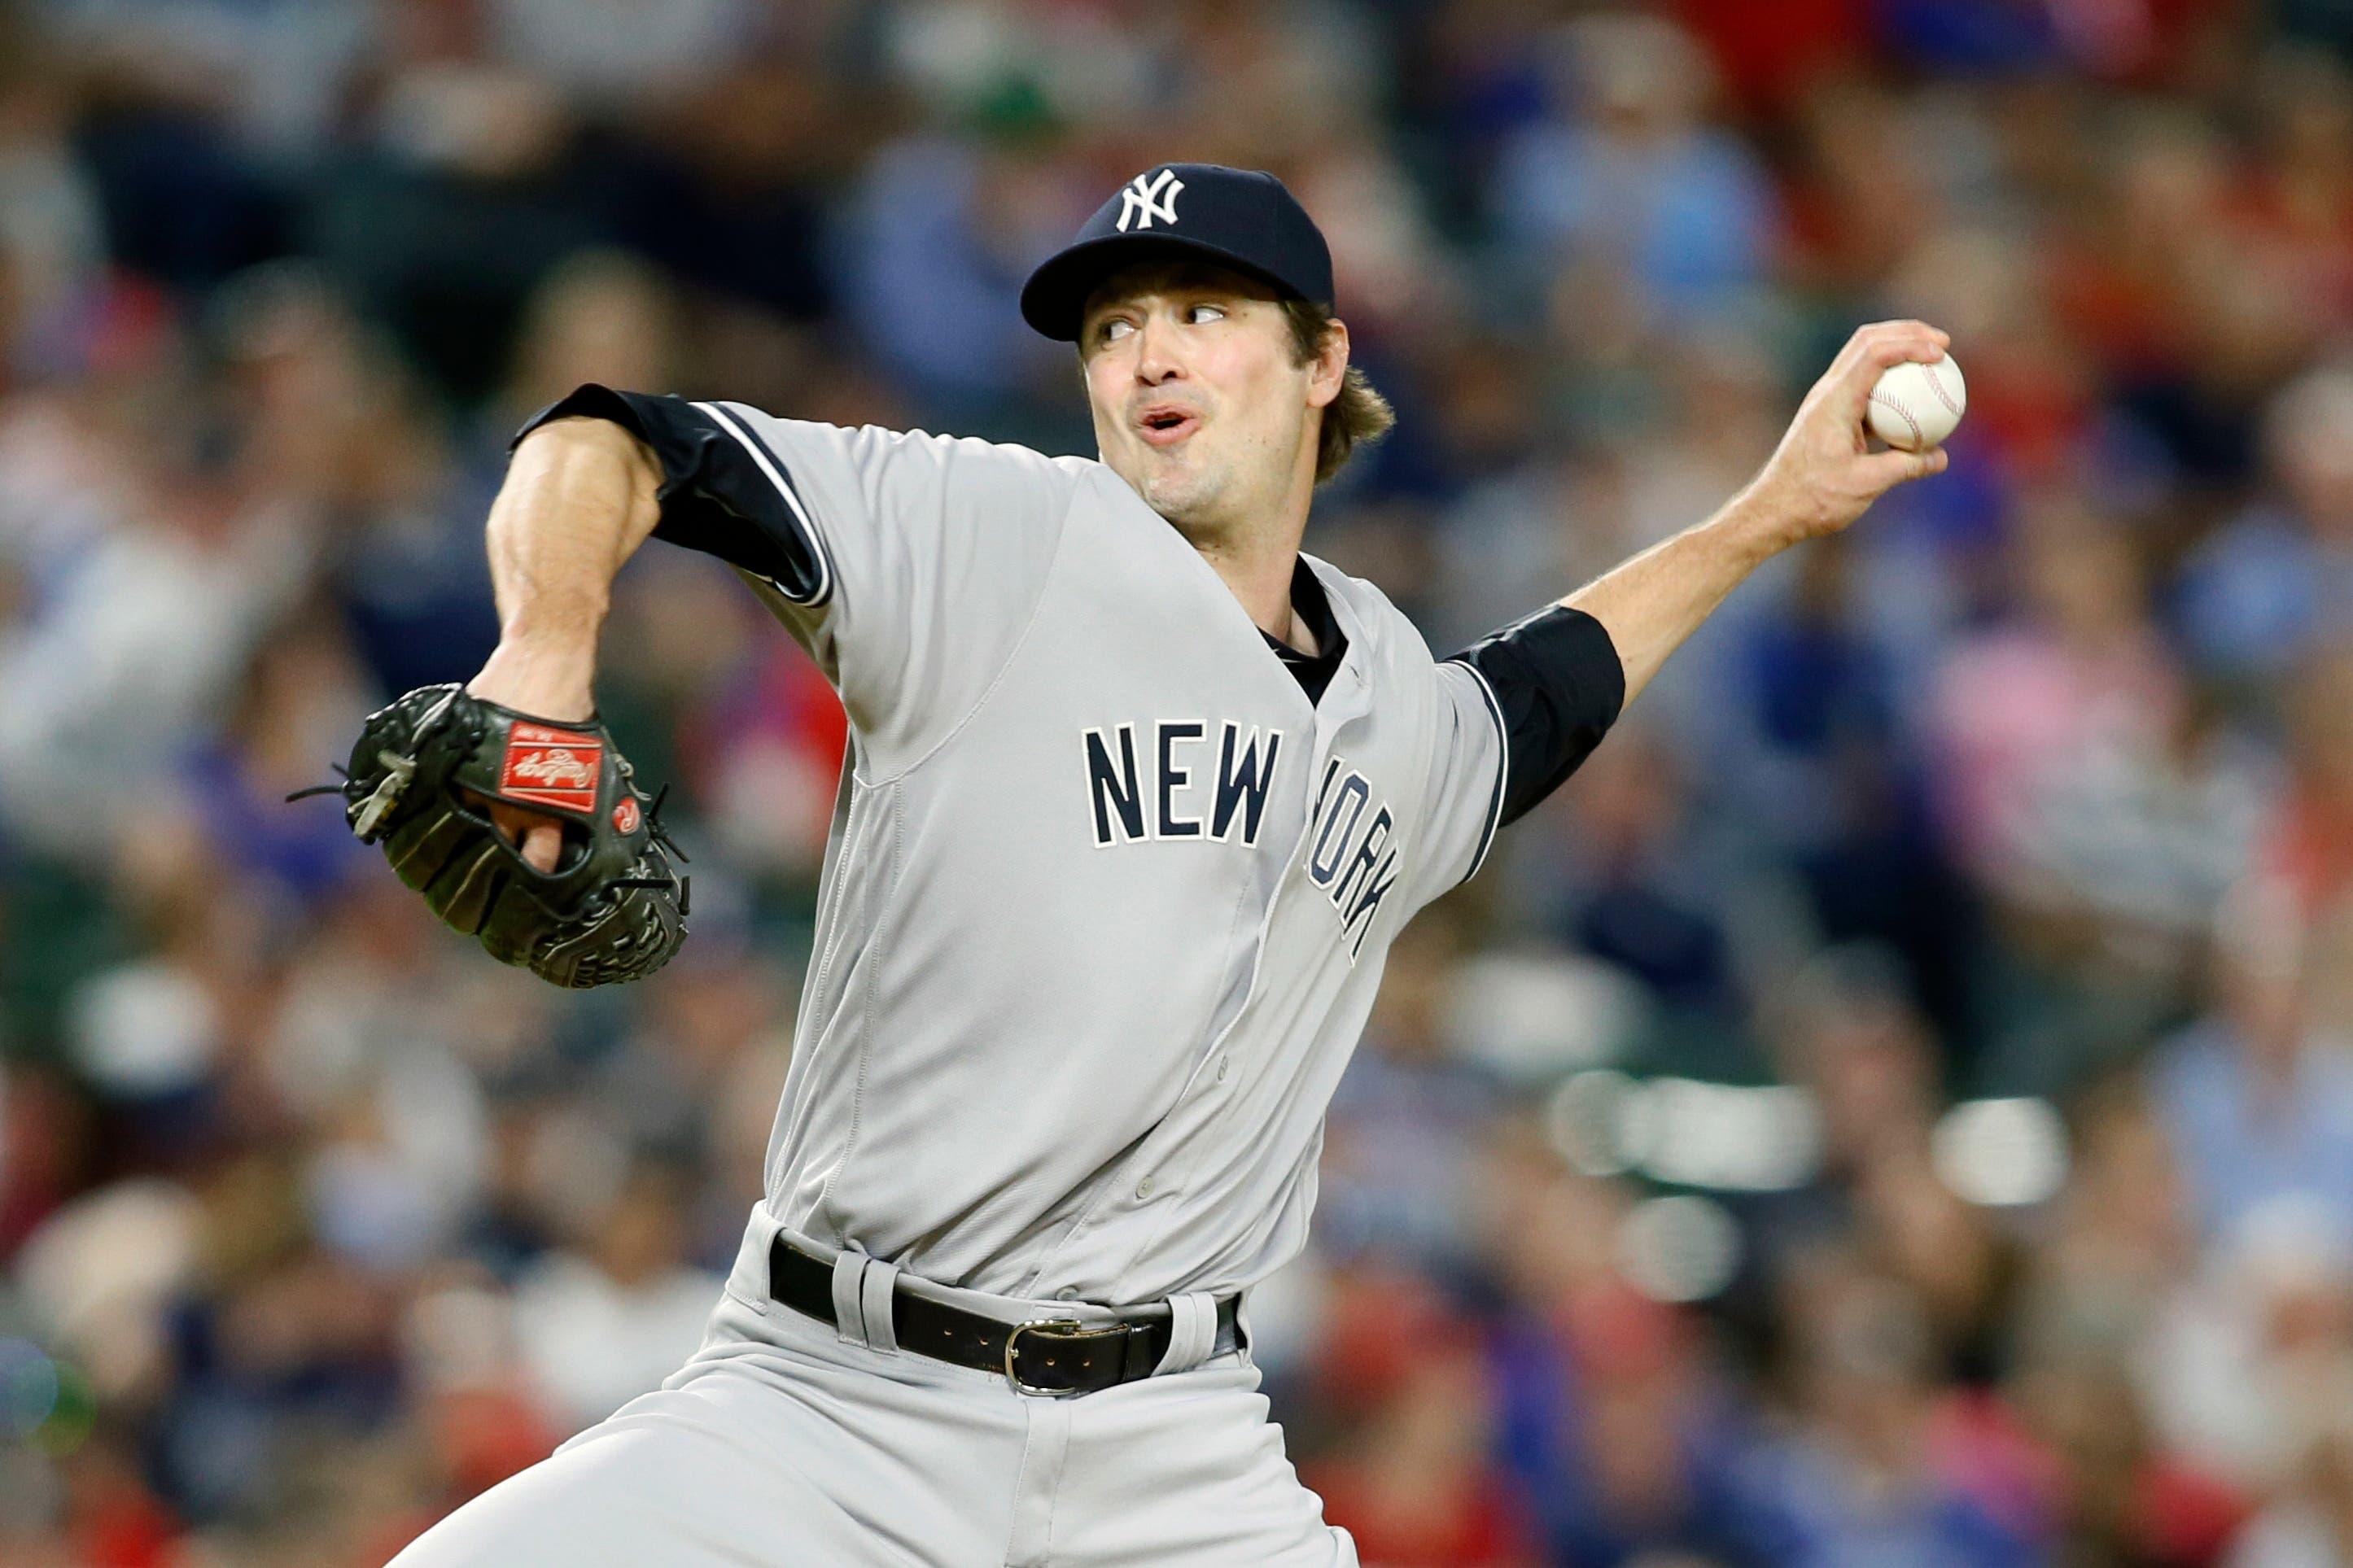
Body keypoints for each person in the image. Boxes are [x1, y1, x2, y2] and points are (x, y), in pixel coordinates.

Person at [390, 163, 1950, 1566]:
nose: (1148, 351)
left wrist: (1773, 514)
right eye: (1114, 325)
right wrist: (543, 648)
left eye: (1203, 310)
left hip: (1174, 1455)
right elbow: (613, 441)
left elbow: (1539, 702)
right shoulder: (992, 533)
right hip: (828, 1408)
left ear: (1324, 360)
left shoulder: (1397, 701)